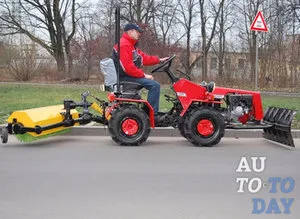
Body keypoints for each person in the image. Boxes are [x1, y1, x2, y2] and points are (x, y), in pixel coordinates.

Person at [113, 23, 169, 124]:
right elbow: (128, 67)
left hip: (128, 76)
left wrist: (159, 60)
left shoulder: (130, 45)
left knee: (153, 84)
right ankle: (153, 116)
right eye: (137, 31)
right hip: (125, 77)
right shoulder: (124, 45)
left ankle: (149, 112)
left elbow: (143, 58)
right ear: (130, 32)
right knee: (154, 85)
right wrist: (143, 75)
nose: (139, 34)